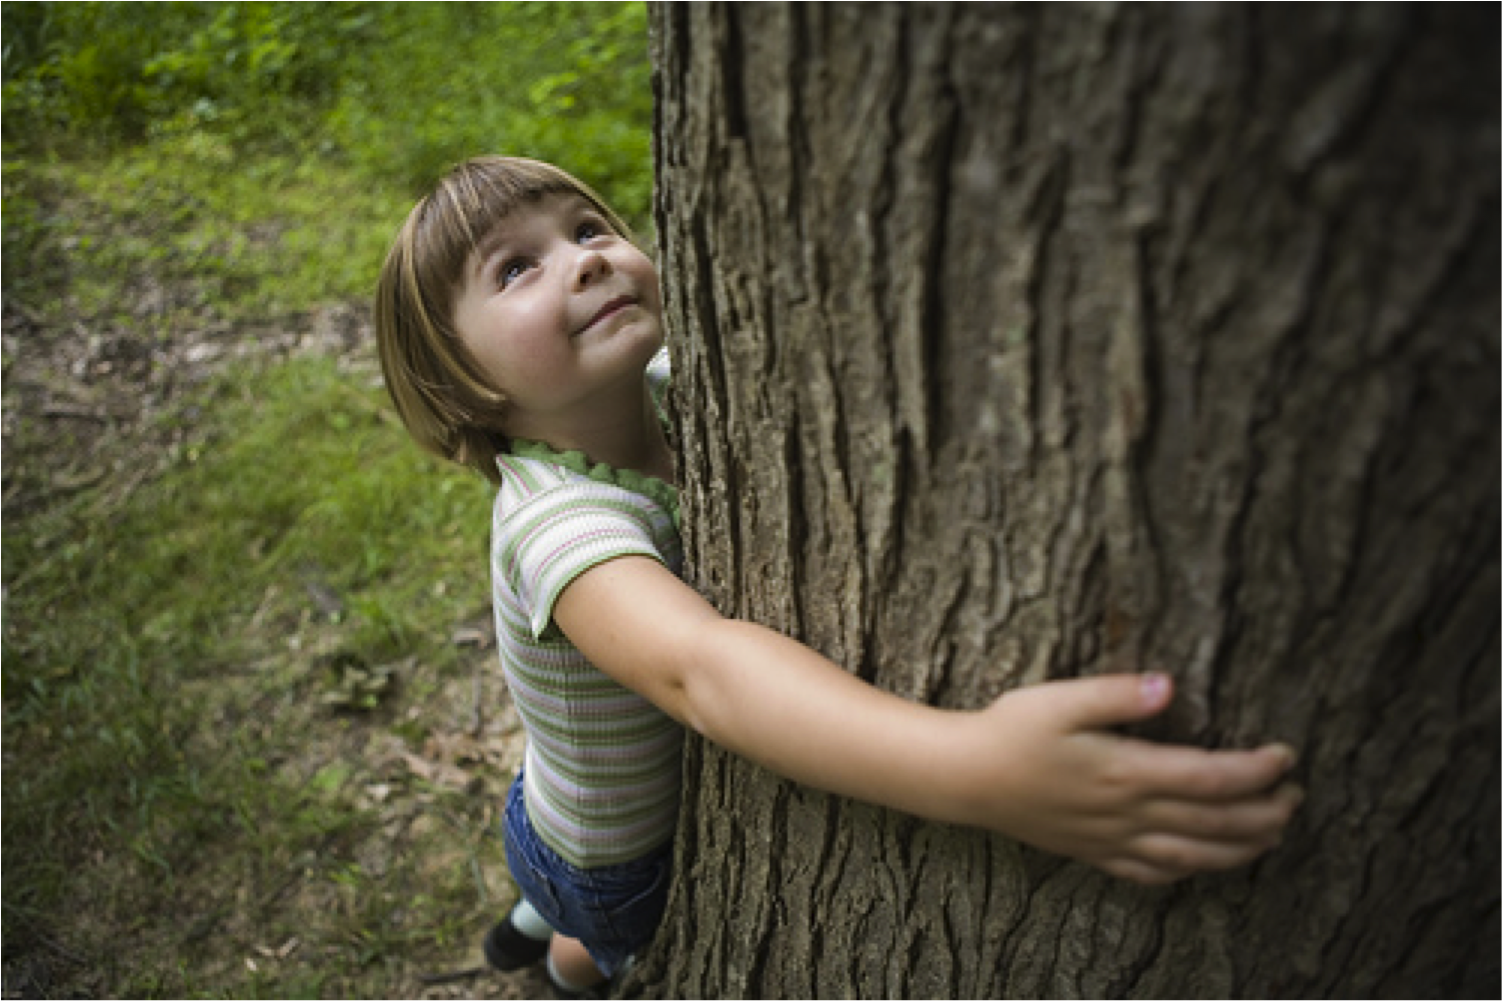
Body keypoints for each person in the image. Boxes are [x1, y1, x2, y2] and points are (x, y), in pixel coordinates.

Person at [375, 156, 1303, 996]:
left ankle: (524, 931)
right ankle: (559, 954)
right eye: (514, 268)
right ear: (461, 384)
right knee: (593, 935)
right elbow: (703, 668)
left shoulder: (667, 380)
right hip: (611, 860)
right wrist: (974, 766)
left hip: (556, 781)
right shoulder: (558, 527)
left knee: (551, 893)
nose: (584, 260)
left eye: (586, 229)